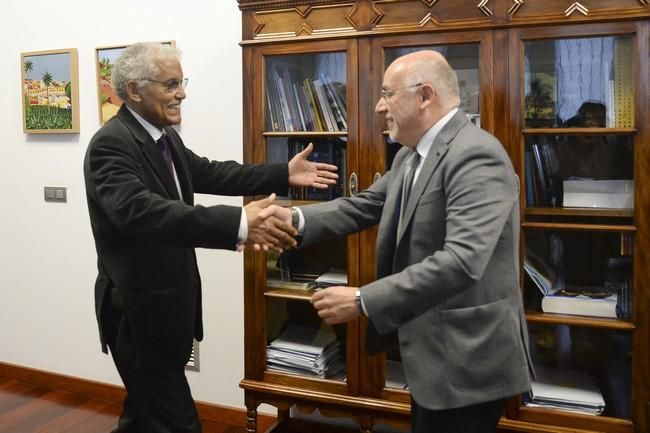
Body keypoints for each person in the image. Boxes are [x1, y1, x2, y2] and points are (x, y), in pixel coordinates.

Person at [264, 50, 533, 433]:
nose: (378, 106)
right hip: (432, 353)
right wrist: (292, 218)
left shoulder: (476, 154)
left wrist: (362, 300)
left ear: (425, 96)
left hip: (467, 358)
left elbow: (461, 260)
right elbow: (363, 205)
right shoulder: (409, 156)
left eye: (387, 94)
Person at [83, 42, 337, 433]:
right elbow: (143, 213)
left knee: (143, 416)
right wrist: (238, 222)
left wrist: (280, 173)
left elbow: (212, 172)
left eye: (181, 82)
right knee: (177, 422)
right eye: (170, 84)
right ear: (134, 90)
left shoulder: (162, 137)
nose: (181, 93)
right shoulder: (111, 145)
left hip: (169, 311)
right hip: (137, 316)